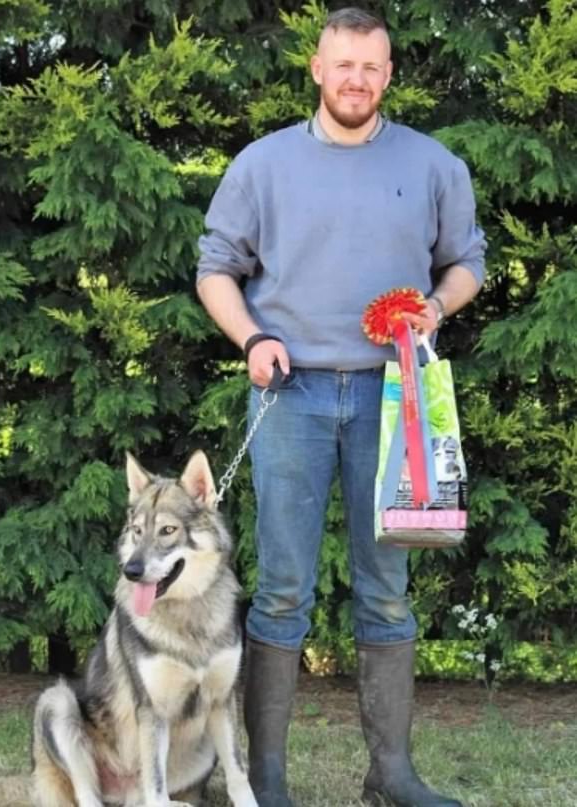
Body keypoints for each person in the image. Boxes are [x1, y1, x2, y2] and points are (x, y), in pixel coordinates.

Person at [196, 7, 485, 807]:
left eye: (372, 66)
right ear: (317, 69)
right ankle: (266, 779)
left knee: (387, 586)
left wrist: (435, 305)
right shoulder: (263, 164)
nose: (356, 79)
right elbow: (215, 268)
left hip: (395, 403)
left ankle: (390, 773)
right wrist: (253, 338)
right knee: (283, 586)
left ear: (388, 75)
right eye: (343, 64)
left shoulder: (433, 166)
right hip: (291, 395)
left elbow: (467, 262)